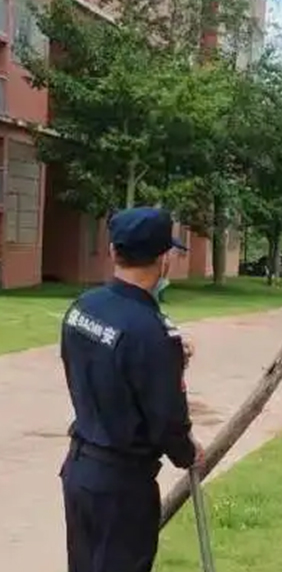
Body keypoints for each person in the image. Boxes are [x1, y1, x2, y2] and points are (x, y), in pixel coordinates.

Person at [59, 206, 203, 572]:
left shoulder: (83, 307)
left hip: (80, 471)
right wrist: (188, 453)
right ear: (163, 259)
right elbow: (167, 420)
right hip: (121, 488)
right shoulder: (153, 332)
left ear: (112, 252)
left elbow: (88, 367)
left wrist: (165, 360)